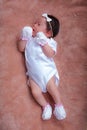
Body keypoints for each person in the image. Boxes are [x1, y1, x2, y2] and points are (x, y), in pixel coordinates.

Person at [18, 13, 66, 120]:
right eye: (34, 23)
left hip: (47, 71)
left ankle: (59, 105)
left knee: (52, 88)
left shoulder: (50, 42)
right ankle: (45, 106)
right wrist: (25, 37)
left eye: (38, 24)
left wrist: (43, 43)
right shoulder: (30, 39)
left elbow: (50, 54)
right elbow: (21, 48)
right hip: (33, 75)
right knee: (35, 92)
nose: (34, 25)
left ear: (48, 33)